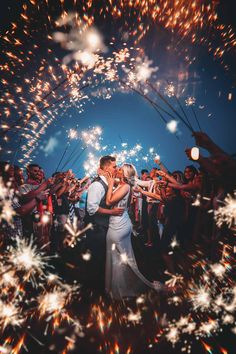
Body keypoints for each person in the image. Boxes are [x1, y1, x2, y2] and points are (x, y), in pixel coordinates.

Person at [101, 163, 163, 300]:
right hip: (117, 222)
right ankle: (119, 286)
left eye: (119, 169)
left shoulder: (125, 186)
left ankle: (124, 288)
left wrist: (111, 183)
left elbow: (109, 201)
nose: (116, 170)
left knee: (120, 257)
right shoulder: (123, 186)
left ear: (124, 174)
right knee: (119, 257)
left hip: (119, 225)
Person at [83, 156, 125, 293]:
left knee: (102, 258)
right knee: (96, 259)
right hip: (96, 229)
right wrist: (112, 212)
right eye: (114, 166)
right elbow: (92, 209)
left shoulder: (107, 183)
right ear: (105, 168)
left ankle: (101, 287)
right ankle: (93, 291)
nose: (116, 169)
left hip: (103, 228)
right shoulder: (97, 185)